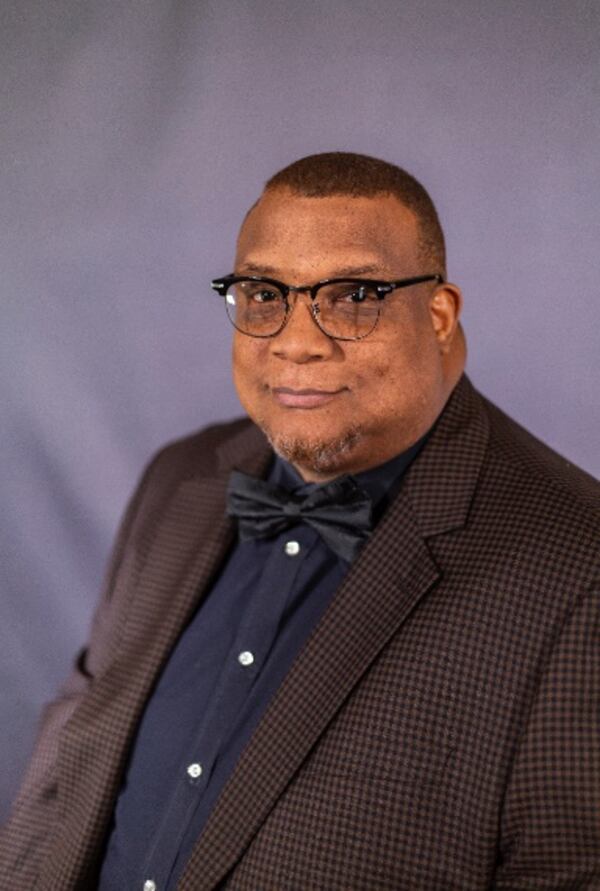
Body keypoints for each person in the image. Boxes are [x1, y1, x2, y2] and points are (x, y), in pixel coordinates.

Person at [1, 152, 598, 891]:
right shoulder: (178, 480)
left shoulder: (580, 570)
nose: (297, 341)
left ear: (439, 316)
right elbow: (73, 745)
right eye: (264, 294)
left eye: (354, 296)